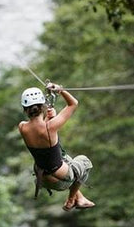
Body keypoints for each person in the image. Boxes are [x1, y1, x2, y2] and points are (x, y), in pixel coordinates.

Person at [18, 83, 95, 211]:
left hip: (43, 179)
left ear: (25, 109)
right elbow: (73, 104)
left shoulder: (22, 127)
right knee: (84, 162)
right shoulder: (50, 127)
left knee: (66, 158)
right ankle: (71, 200)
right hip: (61, 180)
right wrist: (61, 90)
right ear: (43, 106)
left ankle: (80, 198)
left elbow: (43, 137)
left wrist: (49, 117)